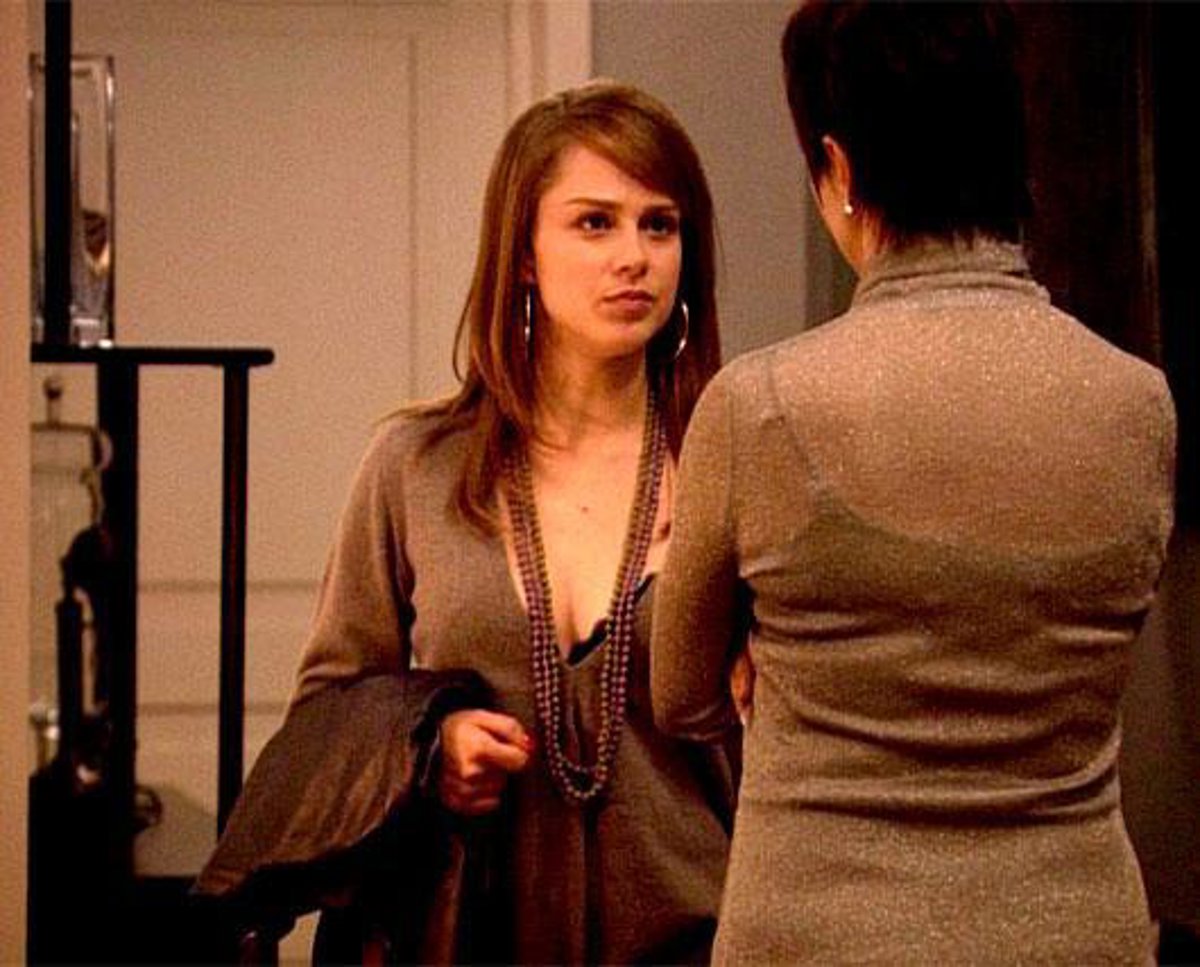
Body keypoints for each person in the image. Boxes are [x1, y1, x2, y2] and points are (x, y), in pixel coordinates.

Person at [650, 2, 1177, 964]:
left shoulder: (761, 406)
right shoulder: (1138, 404)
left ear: (840, 169)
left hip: (818, 934)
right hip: (1071, 928)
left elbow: (680, 693)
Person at [290, 80, 732, 963]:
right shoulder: (416, 464)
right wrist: (430, 749)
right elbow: (326, 709)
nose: (635, 256)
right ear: (523, 253)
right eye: (595, 223)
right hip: (467, 937)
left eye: (660, 225)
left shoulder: (733, 464)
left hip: (698, 934)